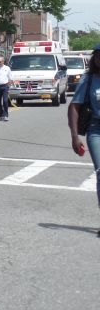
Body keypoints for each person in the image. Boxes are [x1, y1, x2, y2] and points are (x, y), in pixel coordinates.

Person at [68, 43, 100, 236]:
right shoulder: (88, 80)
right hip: (96, 129)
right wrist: (75, 136)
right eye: (97, 56)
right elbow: (74, 107)